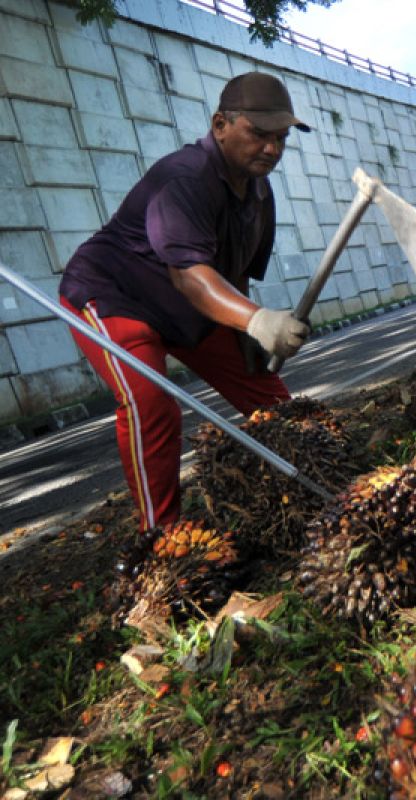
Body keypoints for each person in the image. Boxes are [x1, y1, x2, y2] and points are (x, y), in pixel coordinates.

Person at [58, 72, 312, 532]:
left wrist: (243, 329)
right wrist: (257, 321)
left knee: (265, 389)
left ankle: (318, 474)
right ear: (220, 125)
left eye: (281, 138)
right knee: (149, 399)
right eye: (258, 134)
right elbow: (191, 278)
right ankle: (162, 535)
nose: (272, 149)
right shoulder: (184, 178)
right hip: (116, 295)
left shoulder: (259, 193)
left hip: (186, 305)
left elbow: (230, 274)